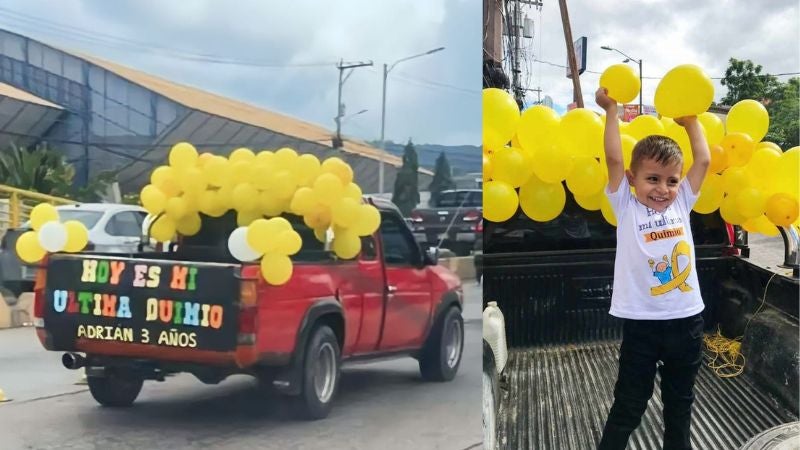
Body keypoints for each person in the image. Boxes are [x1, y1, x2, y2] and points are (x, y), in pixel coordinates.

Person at [595, 87, 710, 450]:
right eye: (653, 179)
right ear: (632, 179)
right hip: (642, 325)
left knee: (680, 404)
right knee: (630, 402)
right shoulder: (625, 204)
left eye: (671, 180)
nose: (663, 189)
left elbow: (703, 161)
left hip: (687, 320)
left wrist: (691, 122)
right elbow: (613, 158)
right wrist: (611, 110)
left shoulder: (682, 203)